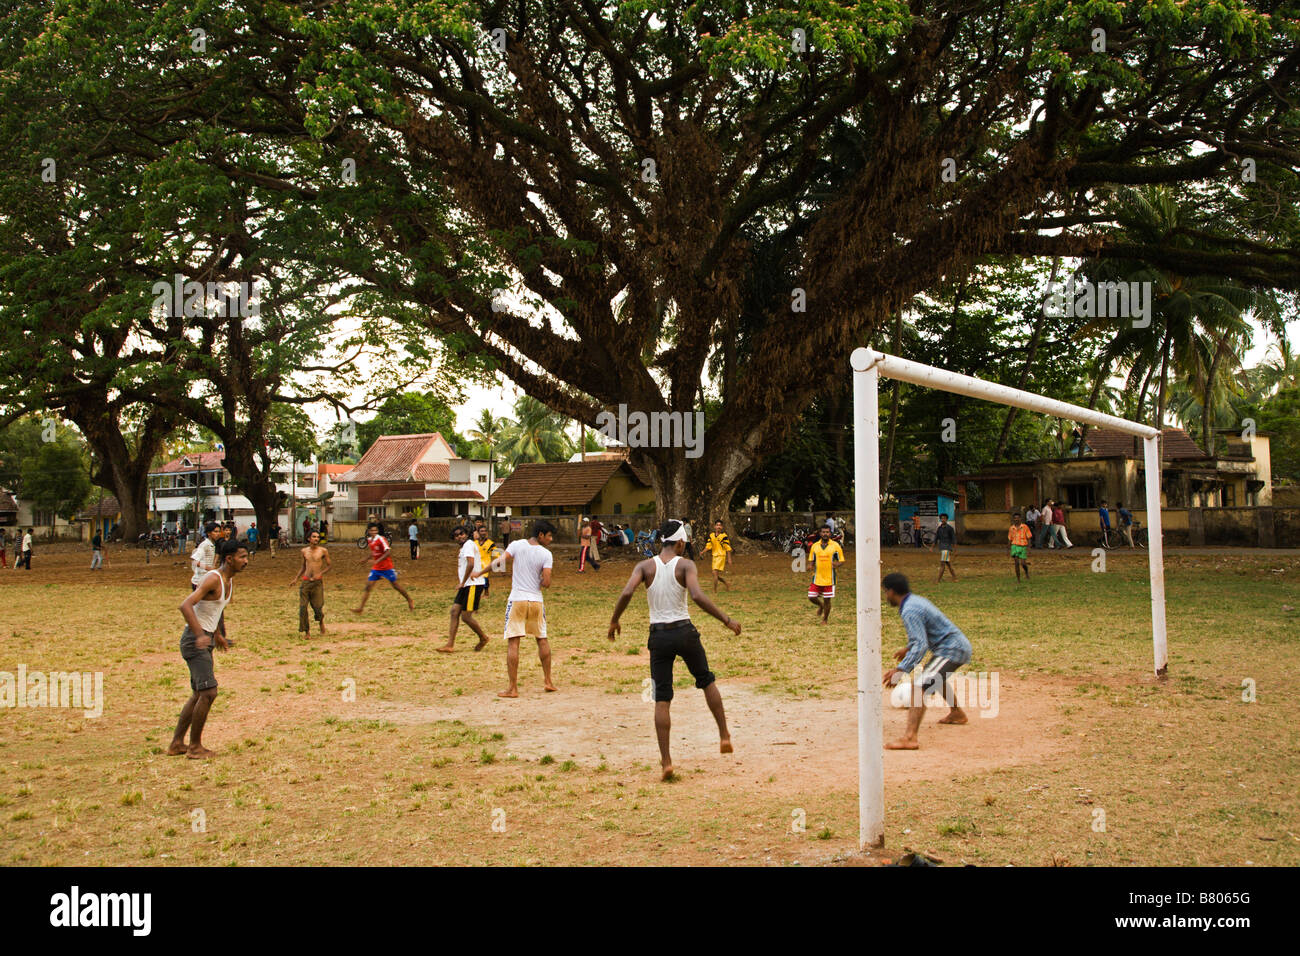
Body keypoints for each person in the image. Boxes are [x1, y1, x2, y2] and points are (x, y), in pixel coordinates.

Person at [607, 519, 739, 780]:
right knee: (706, 680)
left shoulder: (645, 566)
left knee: (662, 698)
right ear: (680, 542)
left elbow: (626, 592)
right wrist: (726, 619)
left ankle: (666, 762)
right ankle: (724, 735)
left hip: (659, 637)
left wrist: (614, 620)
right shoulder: (686, 564)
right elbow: (698, 596)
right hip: (685, 631)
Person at [168, 539, 248, 759]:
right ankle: (195, 748)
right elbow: (185, 605)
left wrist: (218, 635)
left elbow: (214, 610)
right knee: (209, 692)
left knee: (198, 693)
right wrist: (200, 635)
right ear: (229, 559)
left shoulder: (228, 582)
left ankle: (176, 743)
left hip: (205, 639)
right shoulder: (213, 578)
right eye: (242, 557)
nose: (246, 561)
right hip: (194, 641)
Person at [880, 572, 973, 750]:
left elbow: (921, 645)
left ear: (892, 591)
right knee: (936, 678)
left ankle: (910, 737)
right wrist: (908, 648)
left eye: (885, 592)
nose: (886, 596)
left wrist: (901, 670)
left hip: (952, 650)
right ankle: (956, 713)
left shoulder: (909, 610)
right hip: (954, 646)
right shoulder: (915, 601)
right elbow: (923, 635)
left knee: (918, 688)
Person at [497, 519, 557, 698]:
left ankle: (512, 688)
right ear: (541, 535)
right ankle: (548, 681)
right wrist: (540, 581)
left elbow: (500, 561)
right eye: (549, 535)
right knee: (542, 639)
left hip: (517, 599)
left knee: (514, 642)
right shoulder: (546, 554)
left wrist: (480, 572)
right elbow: (546, 582)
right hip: (536, 601)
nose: (551, 539)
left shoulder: (516, 545)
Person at [437, 526, 490, 652]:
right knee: (454, 611)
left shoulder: (468, 545)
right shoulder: (465, 547)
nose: (459, 536)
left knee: (466, 617)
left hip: (473, 584)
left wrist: (463, 582)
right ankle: (450, 645)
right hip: (466, 584)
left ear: (466, 534)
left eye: (461, 533)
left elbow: (471, 564)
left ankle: (483, 638)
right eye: (456, 535)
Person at [352, 522, 414, 614]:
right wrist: (366, 559)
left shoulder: (381, 539)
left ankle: (409, 600)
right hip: (377, 568)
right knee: (368, 586)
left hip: (386, 566)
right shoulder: (369, 540)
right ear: (369, 531)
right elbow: (374, 552)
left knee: (395, 585)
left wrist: (377, 561)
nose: (374, 532)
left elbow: (388, 552)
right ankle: (360, 608)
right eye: (372, 530)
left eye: (375, 530)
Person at [293, 529, 331, 636]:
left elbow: (329, 565)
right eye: (314, 537)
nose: (316, 539)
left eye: (318, 537)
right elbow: (303, 566)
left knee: (318, 607)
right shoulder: (304, 551)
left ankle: (321, 621)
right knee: (303, 607)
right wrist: (296, 578)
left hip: (317, 583)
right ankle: (307, 631)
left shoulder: (323, 550)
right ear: (309, 538)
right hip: (305, 582)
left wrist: (320, 573)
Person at [807, 524, 846, 624]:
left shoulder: (835, 546)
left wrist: (837, 564)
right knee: (811, 596)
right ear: (820, 533)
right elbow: (812, 559)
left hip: (829, 578)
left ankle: (825, 619)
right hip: (817, 577)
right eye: (823, 532)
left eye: (827, 532)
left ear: (830, 533)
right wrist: (810, 565)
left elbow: (841, 560)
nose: (825, 534)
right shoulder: (815, 546)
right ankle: (820, 605)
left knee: (827, 600)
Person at [702, 519, 733, 592]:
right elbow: (709, 546)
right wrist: (703, 551)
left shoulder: (724, 536)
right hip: (714, 556)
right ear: (714, 526)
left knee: (715, 573)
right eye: (717, 525)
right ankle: (726, 583)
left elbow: (727, 548)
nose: (718, 527)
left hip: (721, 556)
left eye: (720, 525)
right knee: (714, 574)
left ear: (722, 527)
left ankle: (715, 590)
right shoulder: (711, 536)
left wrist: (729, 559)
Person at [929, 513, 957, 582]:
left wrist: (955, 550)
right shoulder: (939, 528)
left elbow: (954, 539)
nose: (943, 519)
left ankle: (938, 579)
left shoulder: (950, 528)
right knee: (948, 564)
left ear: (947, 519)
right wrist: (932, 547)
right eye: (942, 518)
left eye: (944, 518)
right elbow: (936, 538)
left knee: (942, 564)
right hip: (942, 547)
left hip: (947, 548)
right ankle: (955, 578)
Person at [475, 521, 496, 604]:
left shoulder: (490, 543)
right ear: (478, 532)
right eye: (481, 531)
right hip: (476, 565)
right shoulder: (474, 543)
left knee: (485, 579)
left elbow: (497, 553)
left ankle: (486, 593)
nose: (483, 533)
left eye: (484, 531)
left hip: (485, 565)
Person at [1008, 512, 1032, 582]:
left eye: (1018, 518)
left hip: (1023, 546)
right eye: (1015, 518)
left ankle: (1026, 572)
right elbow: (1010, 538)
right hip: (1014, 546)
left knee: (1023, 563)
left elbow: (1029, 537)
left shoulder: (1025, 527)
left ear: (1020, 519)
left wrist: (1029, 548)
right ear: (1013, 519)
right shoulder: (1011, 528)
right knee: (1016, 562)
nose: (1016, 519)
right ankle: (1018, 579)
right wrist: (1008, 548)